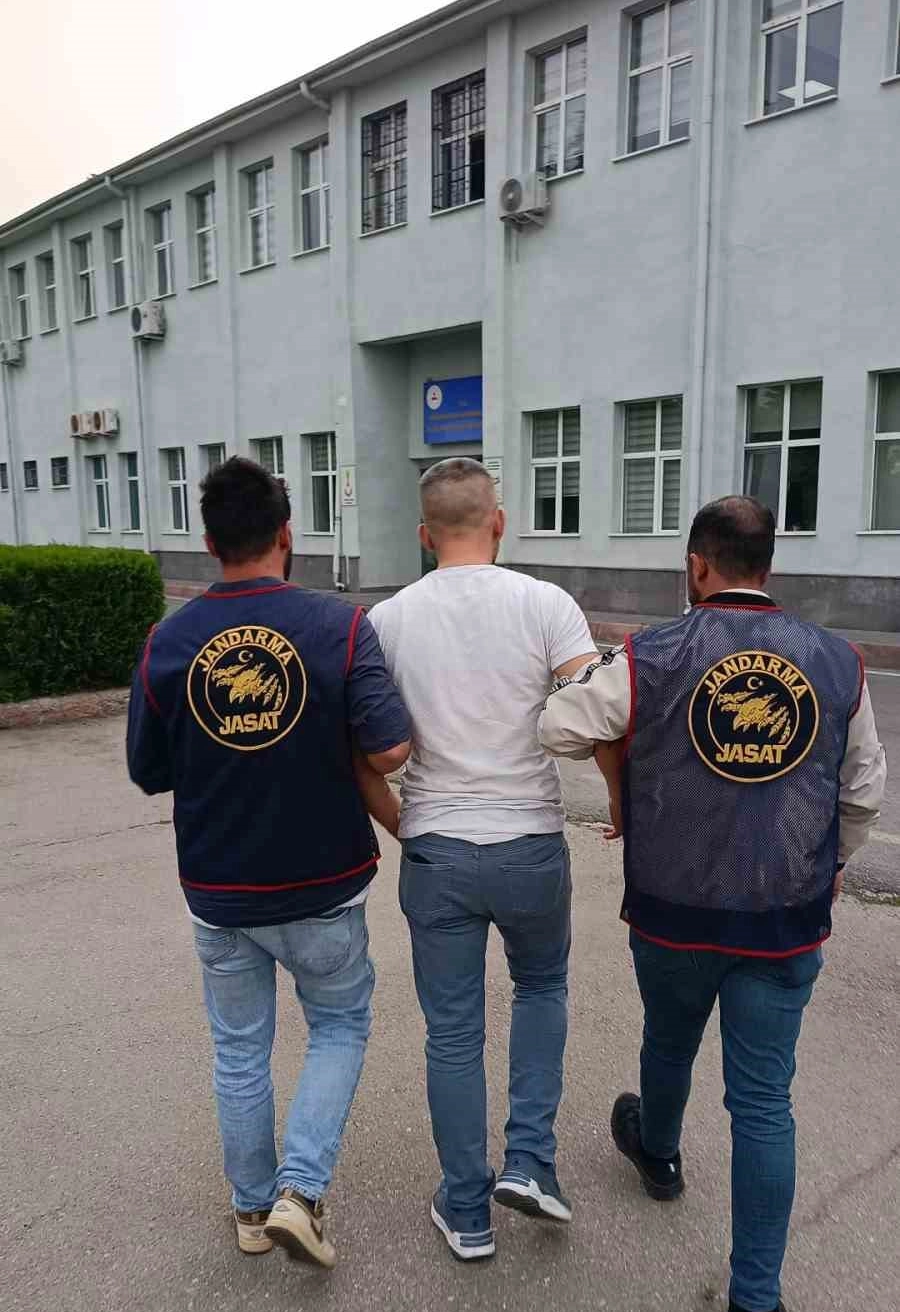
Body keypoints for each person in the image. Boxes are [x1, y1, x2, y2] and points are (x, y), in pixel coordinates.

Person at [539, 495, 886, 1312]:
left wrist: (621, 766)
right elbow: (861, 795)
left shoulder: (652, 654)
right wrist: (830, 865)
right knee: (763, 1103)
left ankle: (658, 1155)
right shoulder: (836, 661)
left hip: (675, 911)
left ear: (697, 566)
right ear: (769, 565)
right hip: (782, 920)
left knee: (669, 1038)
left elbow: (558, 724)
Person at [127, 457, 410, 1268]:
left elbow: (149, 770)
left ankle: (253, 1210)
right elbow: (390, 748)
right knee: (340, 1025)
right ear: (288, 534)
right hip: (324, 882)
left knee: (240, 1049)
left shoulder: (168, 641)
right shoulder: (340, 628)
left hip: (218, 888)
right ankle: (301, 1191)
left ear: (209, 542)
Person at [369, 457, 597, 1261]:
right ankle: (530, 1163)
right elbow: (600, 713)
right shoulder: (547, 605)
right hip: (530, 841)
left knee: (453, 1032)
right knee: (542, 988)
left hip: (436, 845)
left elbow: (359, 745)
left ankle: (466, 1209)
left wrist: (403, 823)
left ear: (424, 535)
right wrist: (627, 806)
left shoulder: (386, 620)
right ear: (499, 522)